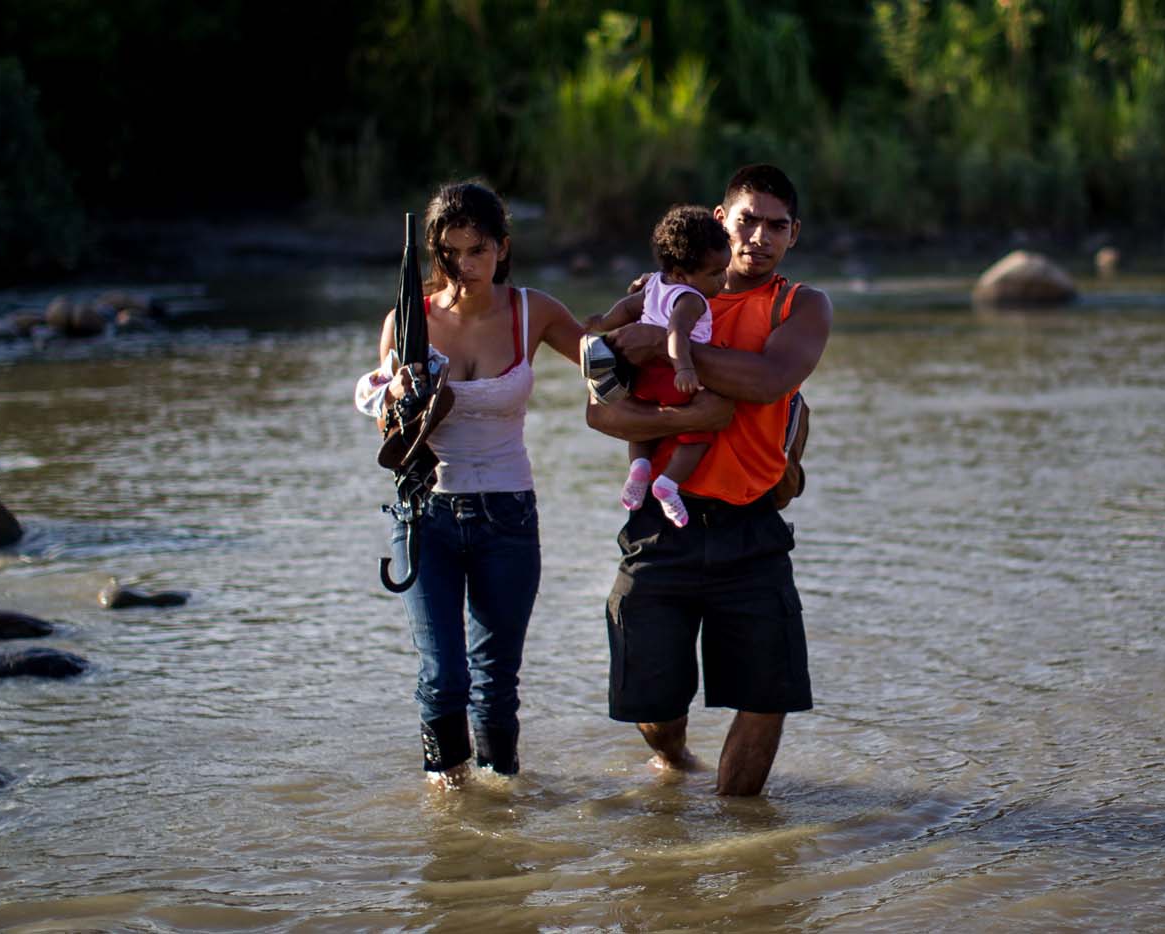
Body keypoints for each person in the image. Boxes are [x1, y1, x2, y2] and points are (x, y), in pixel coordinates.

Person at [585, 164, 833, 796]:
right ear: (720, 220)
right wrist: (681, 412)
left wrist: (663, 350)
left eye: (776, 225)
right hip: (663, 525)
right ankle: (675, 765)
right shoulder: (660, 291)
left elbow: (769, 380)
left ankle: (739, 830)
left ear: (794, 234)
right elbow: (598, 407)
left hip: (752, 524)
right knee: (652, 703)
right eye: (746, 219)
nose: (759, 237)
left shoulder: (798, 304)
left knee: (767, 693)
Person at [355, 180, 584, 788]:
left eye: (478, 250)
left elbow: (604, 360)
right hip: (425, 514)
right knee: (443, 677)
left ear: (502, 248)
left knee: (496, 682)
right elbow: (383, 422)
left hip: (508, 515)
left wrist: (664, 314)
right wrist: (400, 394)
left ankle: (502, 799)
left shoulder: (535, 310)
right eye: (451, 253)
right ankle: (448, 804)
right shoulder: (408, 320)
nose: (465, 266)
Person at [584, 205, 731, 527]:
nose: (723, 279)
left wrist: (603, 321)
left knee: (643, 426)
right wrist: (685, 369)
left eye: (724, 270)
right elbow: (676, 333)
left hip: (642, 376)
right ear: (681, 274)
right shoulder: (691, 299)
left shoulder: (654, 284)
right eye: (715, 273)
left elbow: (628, 307)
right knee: (700, 430)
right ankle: (668, 483)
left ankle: (639, 467)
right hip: (669, 376)